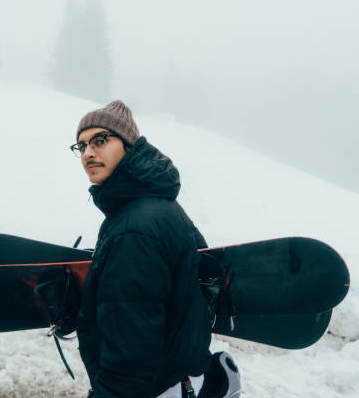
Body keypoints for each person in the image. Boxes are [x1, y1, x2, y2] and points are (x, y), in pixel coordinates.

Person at [71, 100, 240, 398]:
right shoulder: (161, 209)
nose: (88, 153)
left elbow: (130, 345)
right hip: (180, 380)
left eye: (100, 140)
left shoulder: (133, 228)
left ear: (129, 146)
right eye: (81, 145)